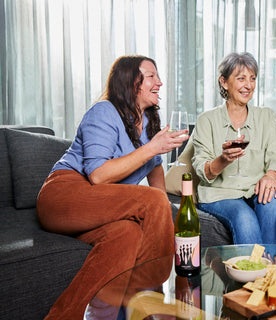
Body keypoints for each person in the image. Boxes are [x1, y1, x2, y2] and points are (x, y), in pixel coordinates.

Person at [36, 55, 189, 319]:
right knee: (151, 201)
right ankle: (152, 304)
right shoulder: (104, 111)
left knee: (127, 233)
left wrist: (168, 224)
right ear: (130, 82)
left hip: (100, 206)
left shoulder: (149, 122)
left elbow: (158, 186)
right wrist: (152, 149)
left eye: (157, 76)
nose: (160, 82)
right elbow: (97, 175)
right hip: (64, 194)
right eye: (151, 76)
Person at [191, 52, 276, 245]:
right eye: (241, 78)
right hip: (220, 193)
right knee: (245, 218)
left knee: (273, 205)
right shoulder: (206, 120)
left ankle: (271, 274)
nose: (249, 85)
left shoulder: (266, 116)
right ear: (224, 82)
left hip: (256, 188)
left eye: (252, 79)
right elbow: (203, 168)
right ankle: (251, 274)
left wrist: (270, 176)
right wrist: (224, 160)